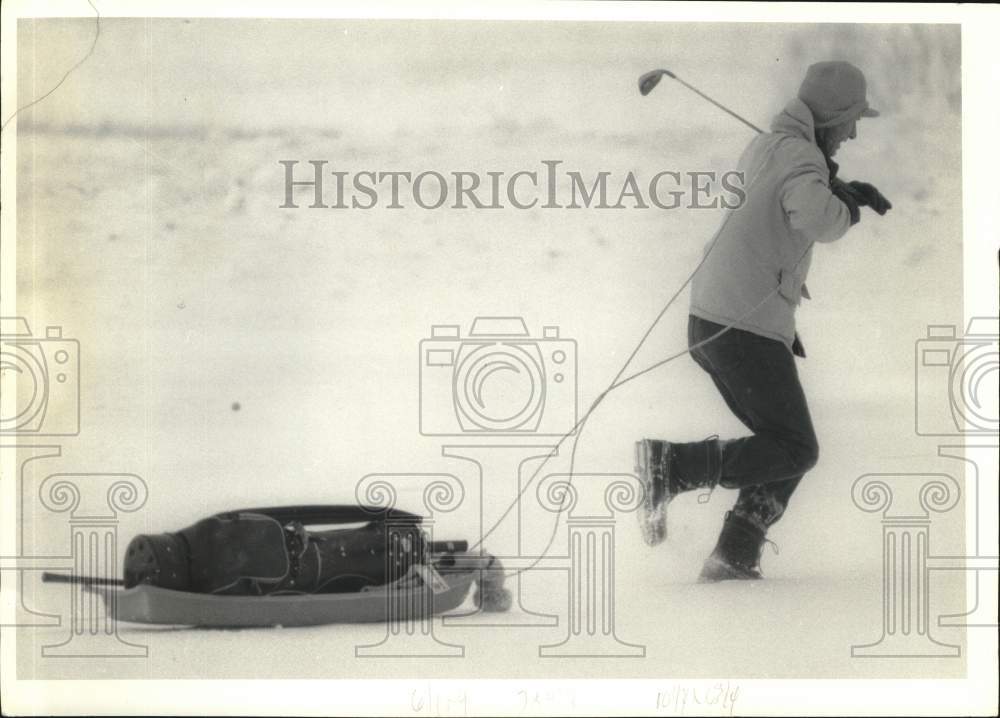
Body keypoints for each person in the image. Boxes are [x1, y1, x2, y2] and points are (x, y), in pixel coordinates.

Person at [635, 61, 892, 582]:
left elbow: (785, 201)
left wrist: (832, 185)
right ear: (833, 116)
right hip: (740, 327)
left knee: (783, 444)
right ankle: (672, 467)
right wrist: (846, 205)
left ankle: (735, 552)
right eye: (851, 120)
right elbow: (817, 220)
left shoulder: (774, 147)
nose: (854, 132)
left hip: (713, 321)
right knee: (795, 447)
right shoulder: (800, 157)